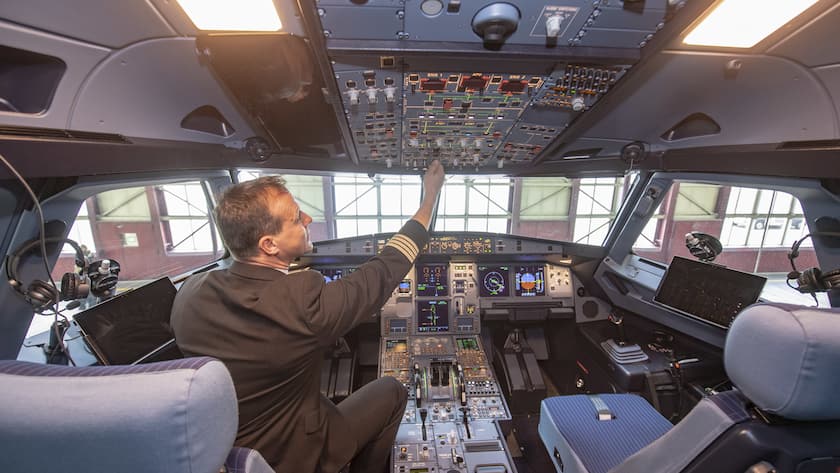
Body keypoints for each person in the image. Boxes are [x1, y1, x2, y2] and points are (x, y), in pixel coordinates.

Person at [170, 161, 445, 473]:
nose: (308, 218)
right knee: (393, 390)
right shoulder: (301, 302)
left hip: (228, 452)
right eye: (295, 218)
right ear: (269, 245)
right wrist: (430, 195)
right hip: (297, 457)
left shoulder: (190, 293)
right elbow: (385, 268)